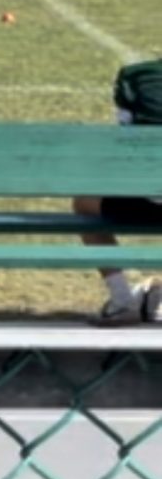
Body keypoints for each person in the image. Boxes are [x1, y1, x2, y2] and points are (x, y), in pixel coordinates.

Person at [73, 58, 162, 325]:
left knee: (84, 204)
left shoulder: (138, 77)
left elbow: (124, 138)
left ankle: (122, 299)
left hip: (142, 196)